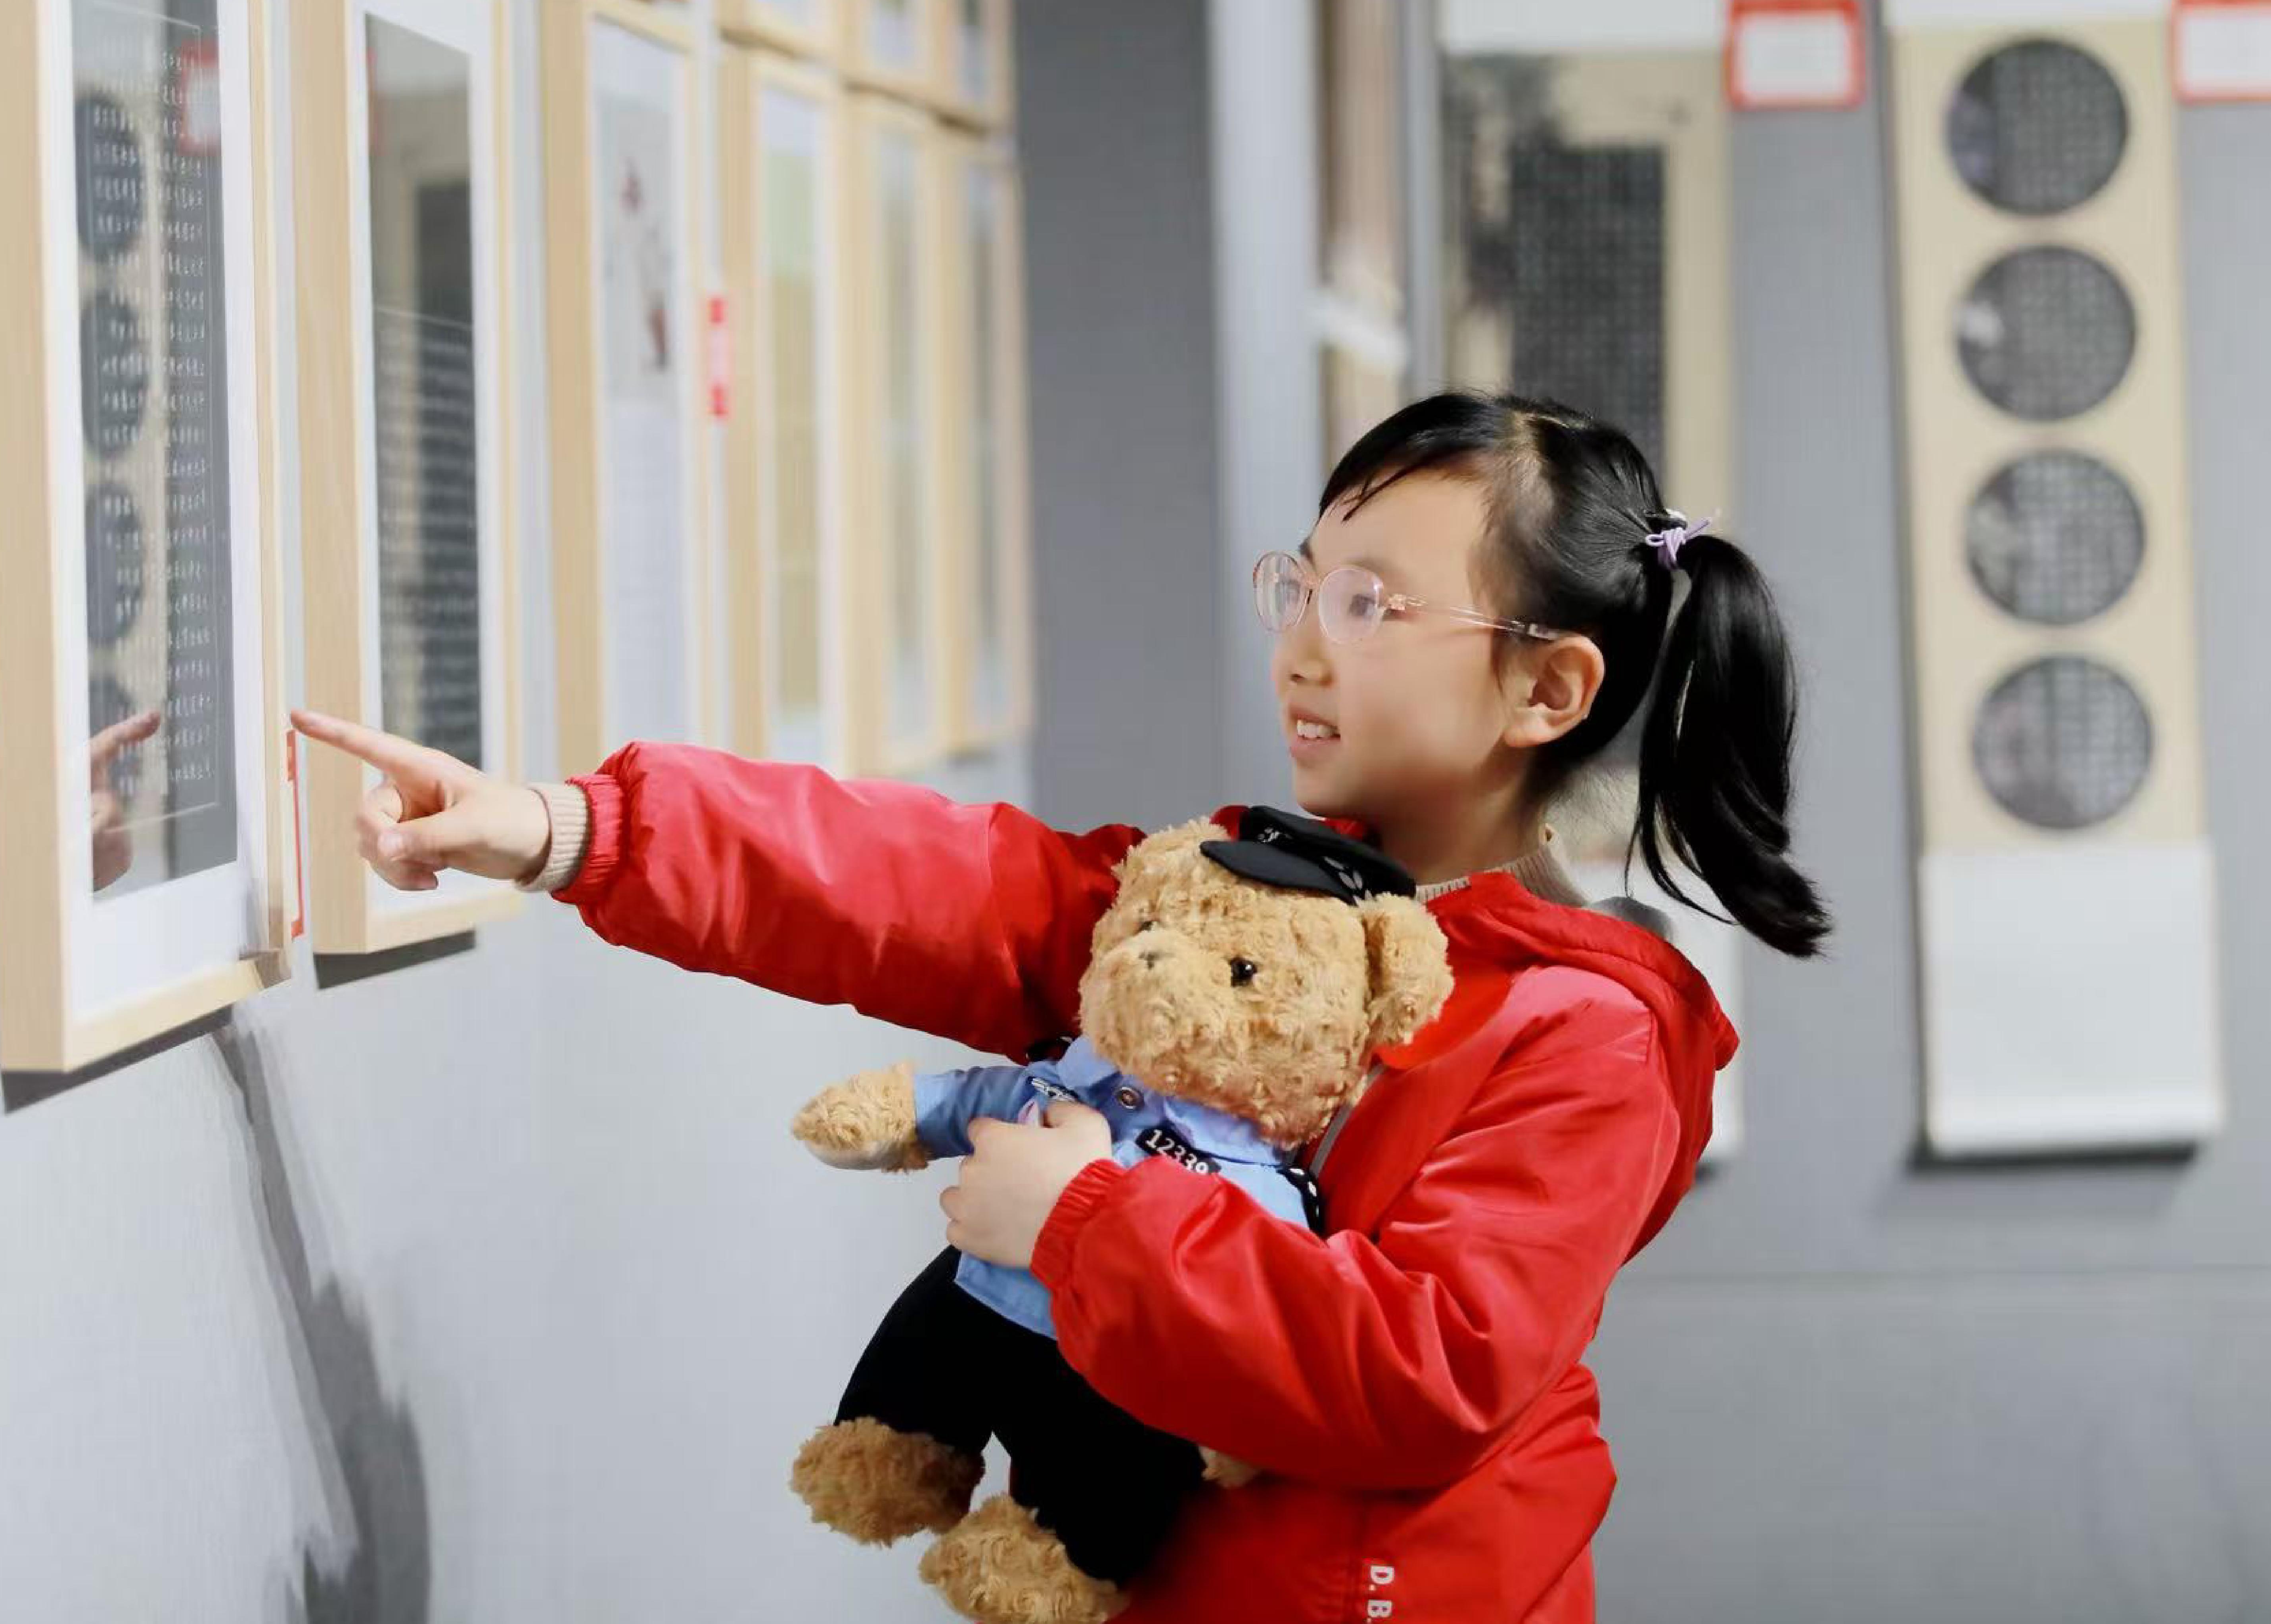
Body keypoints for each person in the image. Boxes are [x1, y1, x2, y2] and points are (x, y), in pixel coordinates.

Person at [295, 390, 1829, 1622]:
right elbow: (930, 883)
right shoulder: (1222, 898)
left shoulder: (1587, 1035)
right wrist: (569, 829)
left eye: (1370, 603)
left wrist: (1083, 1225)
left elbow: (1425, 1370)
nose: (1302, 643)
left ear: (1548, 691)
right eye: (1302, 584)